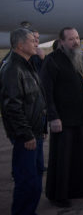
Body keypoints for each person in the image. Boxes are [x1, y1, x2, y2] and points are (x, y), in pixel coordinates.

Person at [41, 27, 83, 208]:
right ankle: (59, 195)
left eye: (77, 38)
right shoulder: (52, 61)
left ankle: (81, 190)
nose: (75, 42)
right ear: (62, 42)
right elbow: (47, 92)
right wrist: (53, 117)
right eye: (71, 39)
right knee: (63, 160)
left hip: (82, 118)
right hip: (63, 120)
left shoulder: (81, 59)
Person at [0, 28, 47, 215]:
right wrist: (26, 135)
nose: (36, 43)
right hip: (26, 137)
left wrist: (42, 127)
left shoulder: (28, 64)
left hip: (35, 134)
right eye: (32, 41)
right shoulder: (12, 69)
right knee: (27, 183)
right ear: (20, 45)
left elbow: (37, 99)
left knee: (35, 180)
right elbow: (12, 107)